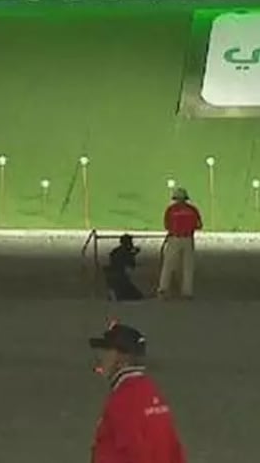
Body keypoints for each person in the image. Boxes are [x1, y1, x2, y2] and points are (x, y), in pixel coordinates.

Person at [88, 323, 186, 463]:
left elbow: (135, 450)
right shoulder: (152, 392)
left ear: (122, 357)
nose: (100, 357)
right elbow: (175, 449)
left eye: (106, 350)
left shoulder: (123, 400)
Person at [158, 188, 202, 300]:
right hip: (188, 239)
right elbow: (199, 225)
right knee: (188, 266)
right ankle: (187, 292)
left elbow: (166, 225)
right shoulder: (193, 210)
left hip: (174, 239)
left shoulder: (171, 210)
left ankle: (163, 289)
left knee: (168, 265)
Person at [105, 234, 144, 301]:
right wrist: (132, 254)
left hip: (112, 277)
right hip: (121, 278)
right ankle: (116, 294)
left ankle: (114, 292)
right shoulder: (127, 254)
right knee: (137, 296)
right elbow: (129, 267)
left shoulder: (115, 251)